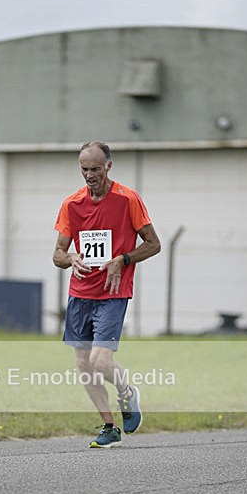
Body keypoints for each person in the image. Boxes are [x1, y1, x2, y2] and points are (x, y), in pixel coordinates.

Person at [52, 141, 161, 448]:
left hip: (113, 292)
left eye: (95, 169)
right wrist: (71, 258)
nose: (89, 175)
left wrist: (122, 259)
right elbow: (57, 254)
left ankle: (127, 393)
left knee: (101, 360)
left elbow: (154, 244)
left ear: (109, 166)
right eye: (84, 169)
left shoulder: (128, 199)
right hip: (80, 294)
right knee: (84, 364)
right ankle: (109, 426)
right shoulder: (72, 204)